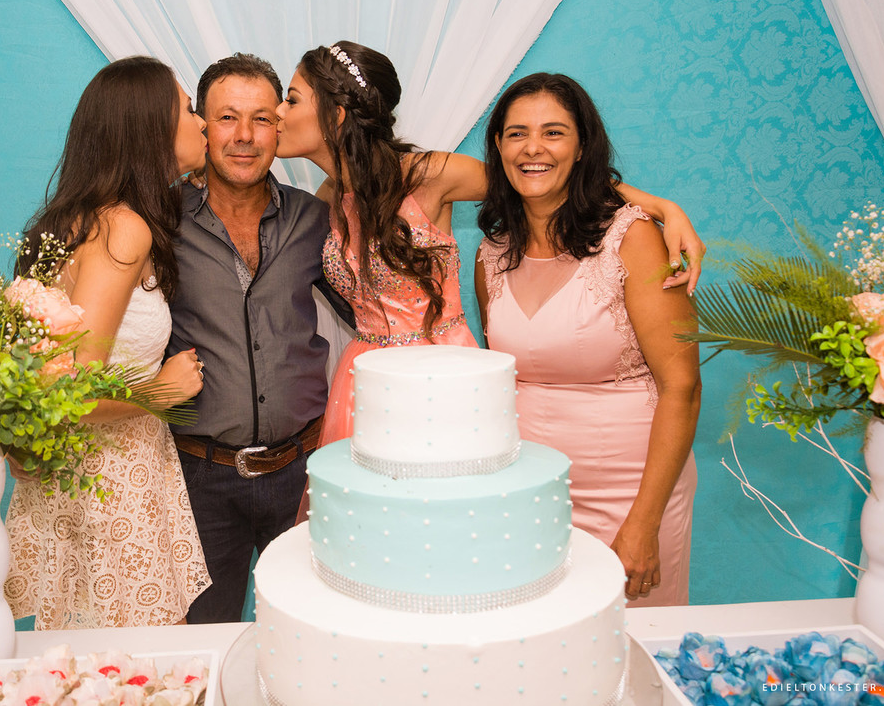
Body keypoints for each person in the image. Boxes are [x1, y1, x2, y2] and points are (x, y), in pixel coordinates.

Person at [275, 41, 705, 446]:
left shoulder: (428, 175)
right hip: (362, 377)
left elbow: (532, 173)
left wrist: (664, 208)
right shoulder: (327, 198)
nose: (278, 112)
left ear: (336, 115)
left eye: (291, 99)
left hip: (441, 376)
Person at [474, 72, 700, 606]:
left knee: (628, 651)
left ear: (581, 149)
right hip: (528, 496)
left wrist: (642, 524)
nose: (533, 148)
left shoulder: (635, 238)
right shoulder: (491, 254)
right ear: (499, 148)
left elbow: (683, 387)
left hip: (630, 493)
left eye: (554, 133)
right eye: (516, 134)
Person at [3, 56, 212, 628]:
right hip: (108, 482)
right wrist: (161, 392)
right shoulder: (122, 226)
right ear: (151, 128)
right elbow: (71, 387)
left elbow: (36, 368)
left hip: (86, 471)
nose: (201, 124)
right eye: (189, 110)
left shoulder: (76, 221)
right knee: (130, 669)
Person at [166, 53, 353, 624]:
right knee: (200, 641)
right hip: (197, 478)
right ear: (201, 124)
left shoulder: (314, 219)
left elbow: (380, 302)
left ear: (279, 127)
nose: (245, 137)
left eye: (262, 119)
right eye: (227, 118)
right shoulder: (156, 221)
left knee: (313, 636)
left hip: (304, 473)